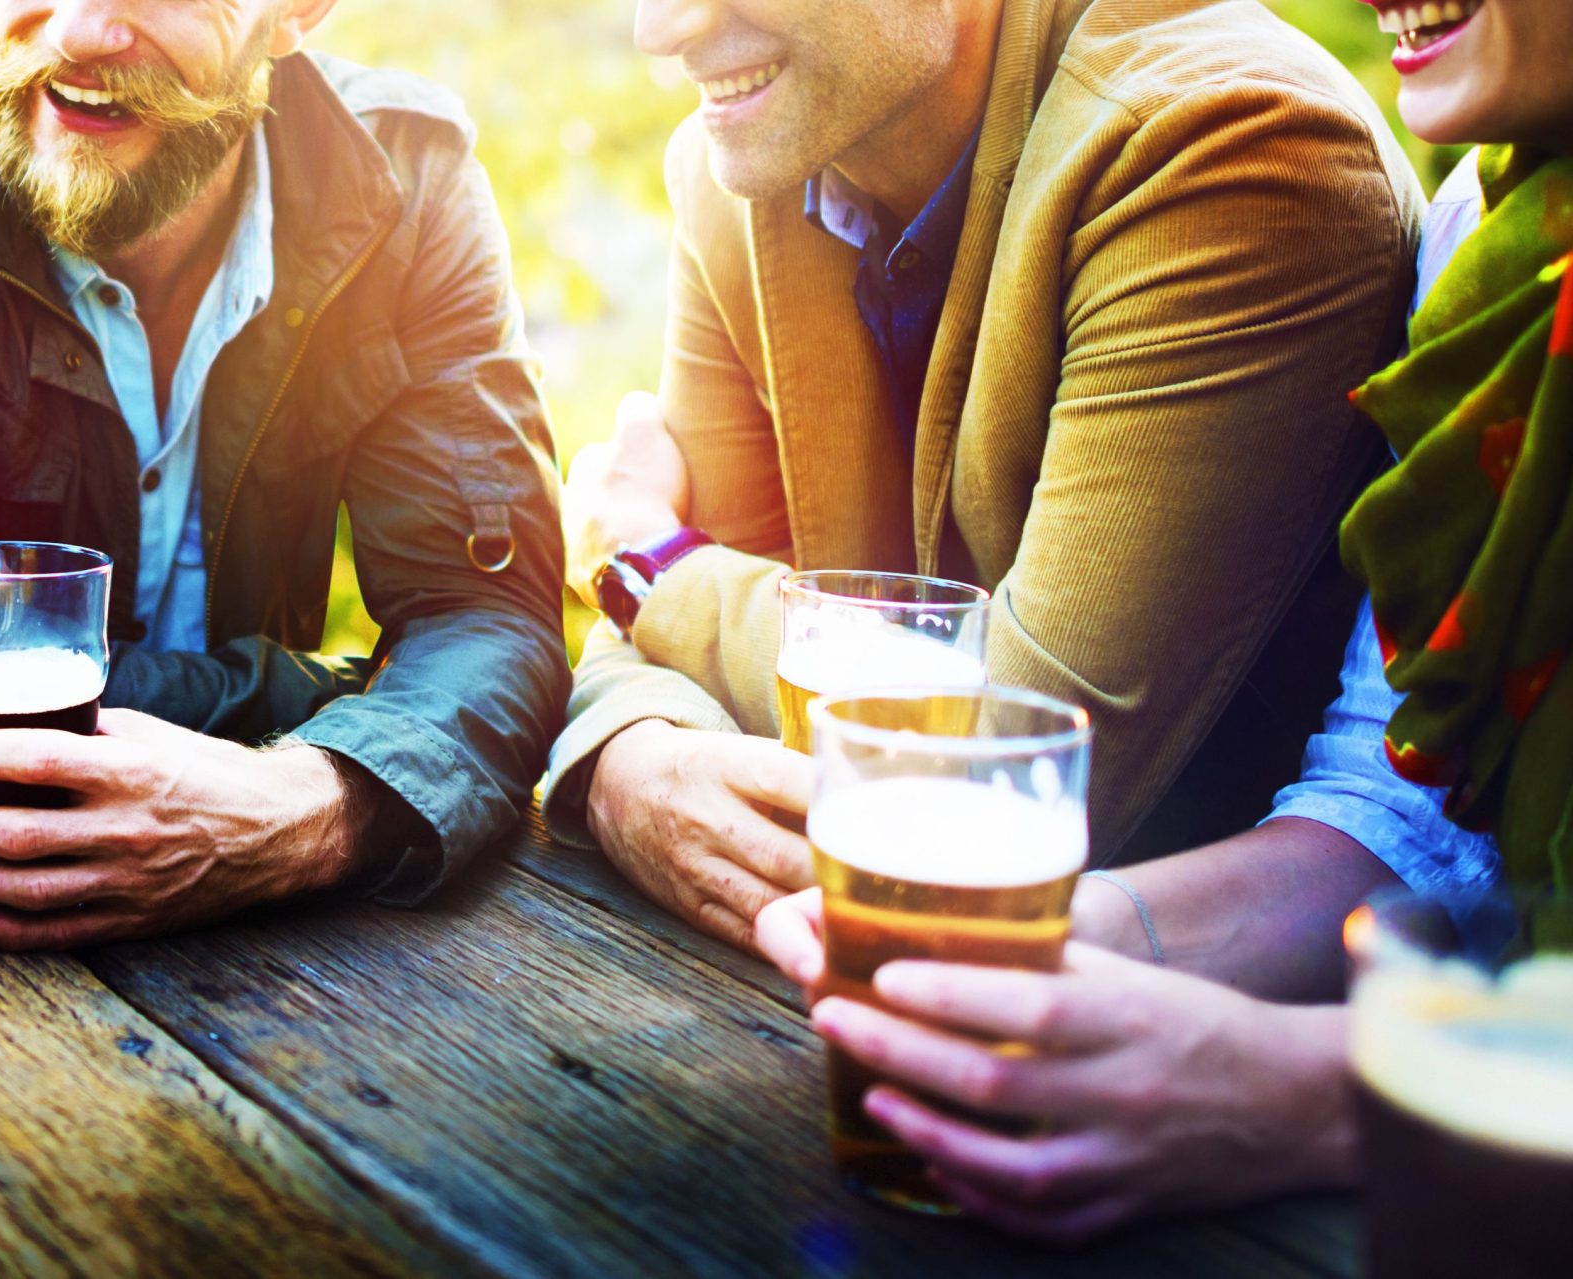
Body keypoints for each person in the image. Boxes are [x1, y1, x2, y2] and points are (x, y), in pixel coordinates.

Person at [755, 0, 1573, 1240]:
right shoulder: (1490, 236)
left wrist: (1313, 1093)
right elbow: (1402, 811)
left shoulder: (1228, 147)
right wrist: (1043, 944)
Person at [543, 0, 1424, 951]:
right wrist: (633, 748)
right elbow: (663, 648)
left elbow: (1007, 758)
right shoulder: (744, 167)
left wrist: (644, 559)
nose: (658, 30)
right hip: (842, 993)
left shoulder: (1223, 142)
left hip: (1175, 1032)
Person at [0, 0, 567, 948]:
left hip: (271, 932)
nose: (83, 32)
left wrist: (314, 806)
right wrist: (354, 712)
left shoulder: (407, 177)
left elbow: (489, 617)